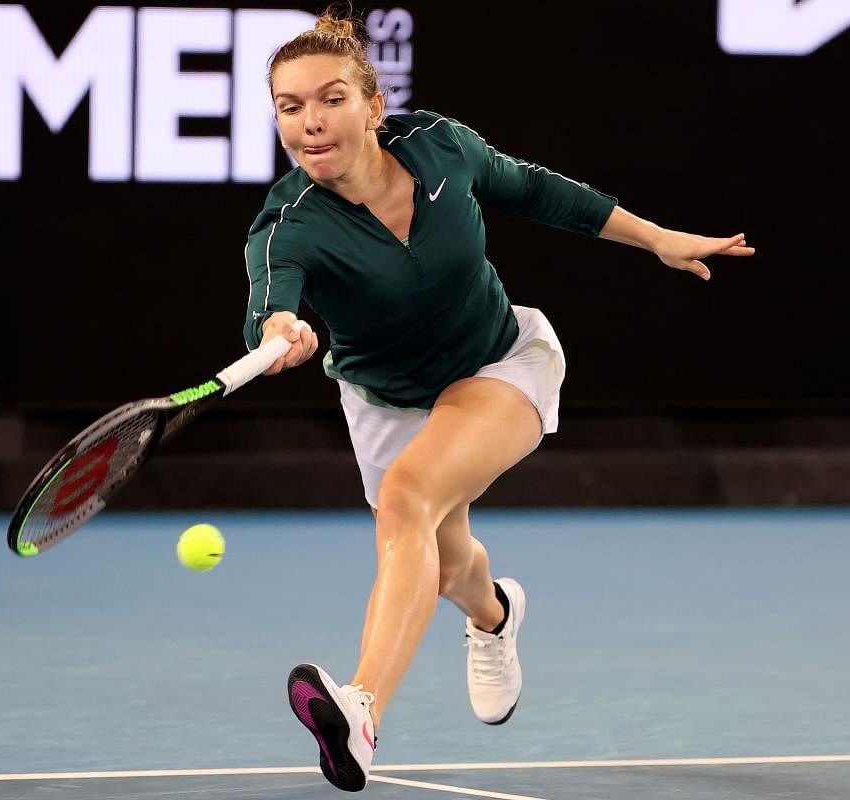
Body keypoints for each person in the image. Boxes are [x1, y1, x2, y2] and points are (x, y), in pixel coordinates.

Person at [242, 10, 756, 793]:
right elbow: (271, 303)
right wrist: (281, 329)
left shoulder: (442, 146)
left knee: (407, 502)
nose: (310, 121)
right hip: (385, 401)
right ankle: (494, 618)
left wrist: (655, 237)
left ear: (373, 107)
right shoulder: (287, 227)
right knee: (448, 567)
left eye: (331, 98)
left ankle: (363, 710)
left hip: (499, 364)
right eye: (289, 106)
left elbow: (540, 193)